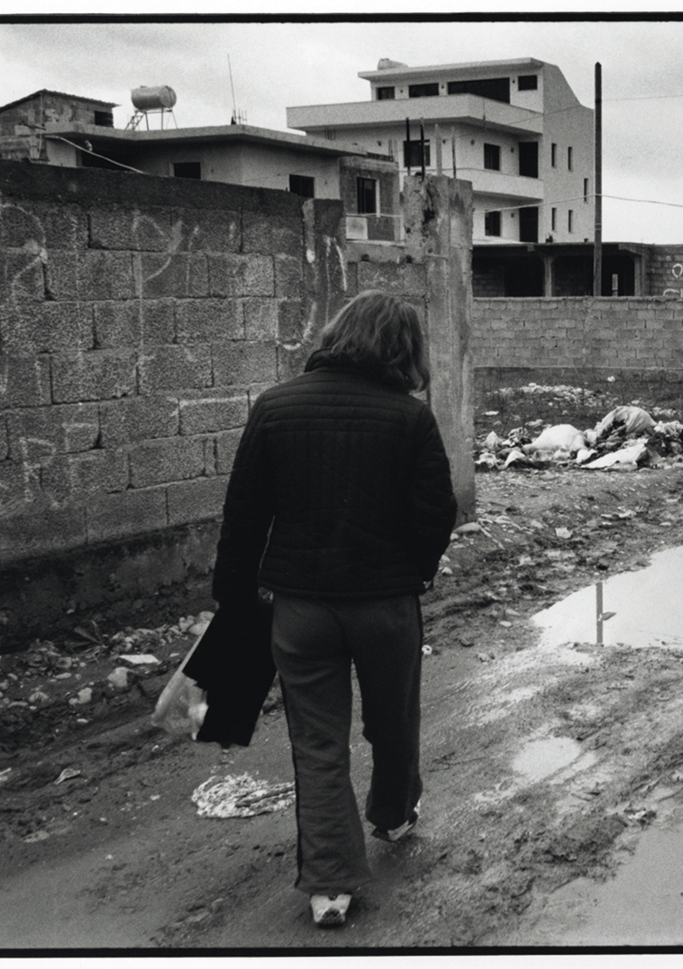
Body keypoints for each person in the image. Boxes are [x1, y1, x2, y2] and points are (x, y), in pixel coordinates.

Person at [212, 291, 458, 927]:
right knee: (394, 720)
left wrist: (234, 599)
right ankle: (394, 815)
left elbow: (243, 517)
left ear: (338, 333)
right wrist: (414, 574)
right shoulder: (410, 419)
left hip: (301, 609)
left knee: (316, 744)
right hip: (384, 606)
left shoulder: (274, 406)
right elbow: (436, 516)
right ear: (403, 349)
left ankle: (330, 886)